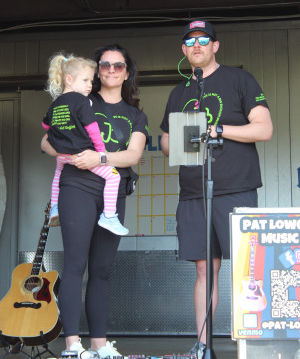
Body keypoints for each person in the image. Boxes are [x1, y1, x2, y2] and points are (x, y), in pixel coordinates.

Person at [160, 20, 273, 358]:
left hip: (235, 188)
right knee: (204, 269)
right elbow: (165, 141)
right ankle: (203, 345)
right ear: (184, 50)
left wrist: (218, 128)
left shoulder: (240, 79)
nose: (197, 45)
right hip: (193, 191)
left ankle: (250, 344)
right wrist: (178, 140)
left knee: (245, 269)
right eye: (191, 41)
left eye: (204, 40)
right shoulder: (179, 92)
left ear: (215, 46)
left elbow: (263, 129)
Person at [41, 44, 149, 358]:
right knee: (75, 266)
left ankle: (100, 345)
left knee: (102, 269)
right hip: (77, 186)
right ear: (97, 71)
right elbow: (46, 141)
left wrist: (99, 155)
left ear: (127, 72)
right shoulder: (78, 98)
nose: (112, 70)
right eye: (106, 65)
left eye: (119, 66)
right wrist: (74, 156)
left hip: (113, 192)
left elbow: (133, 155)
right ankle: (73, 345)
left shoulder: (135, 114)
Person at [42, 53, 128, 236]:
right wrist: (100, 152)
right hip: (81, 153)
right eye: (86, 80)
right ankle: (109, 216)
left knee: (58, 174)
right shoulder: (82, 101)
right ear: (69, 80)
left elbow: (45, 126)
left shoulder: (55, 104)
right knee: (113, 177)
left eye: (91, 80)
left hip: (62, 155)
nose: (90, 85)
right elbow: (92, 128)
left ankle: (55, 207)